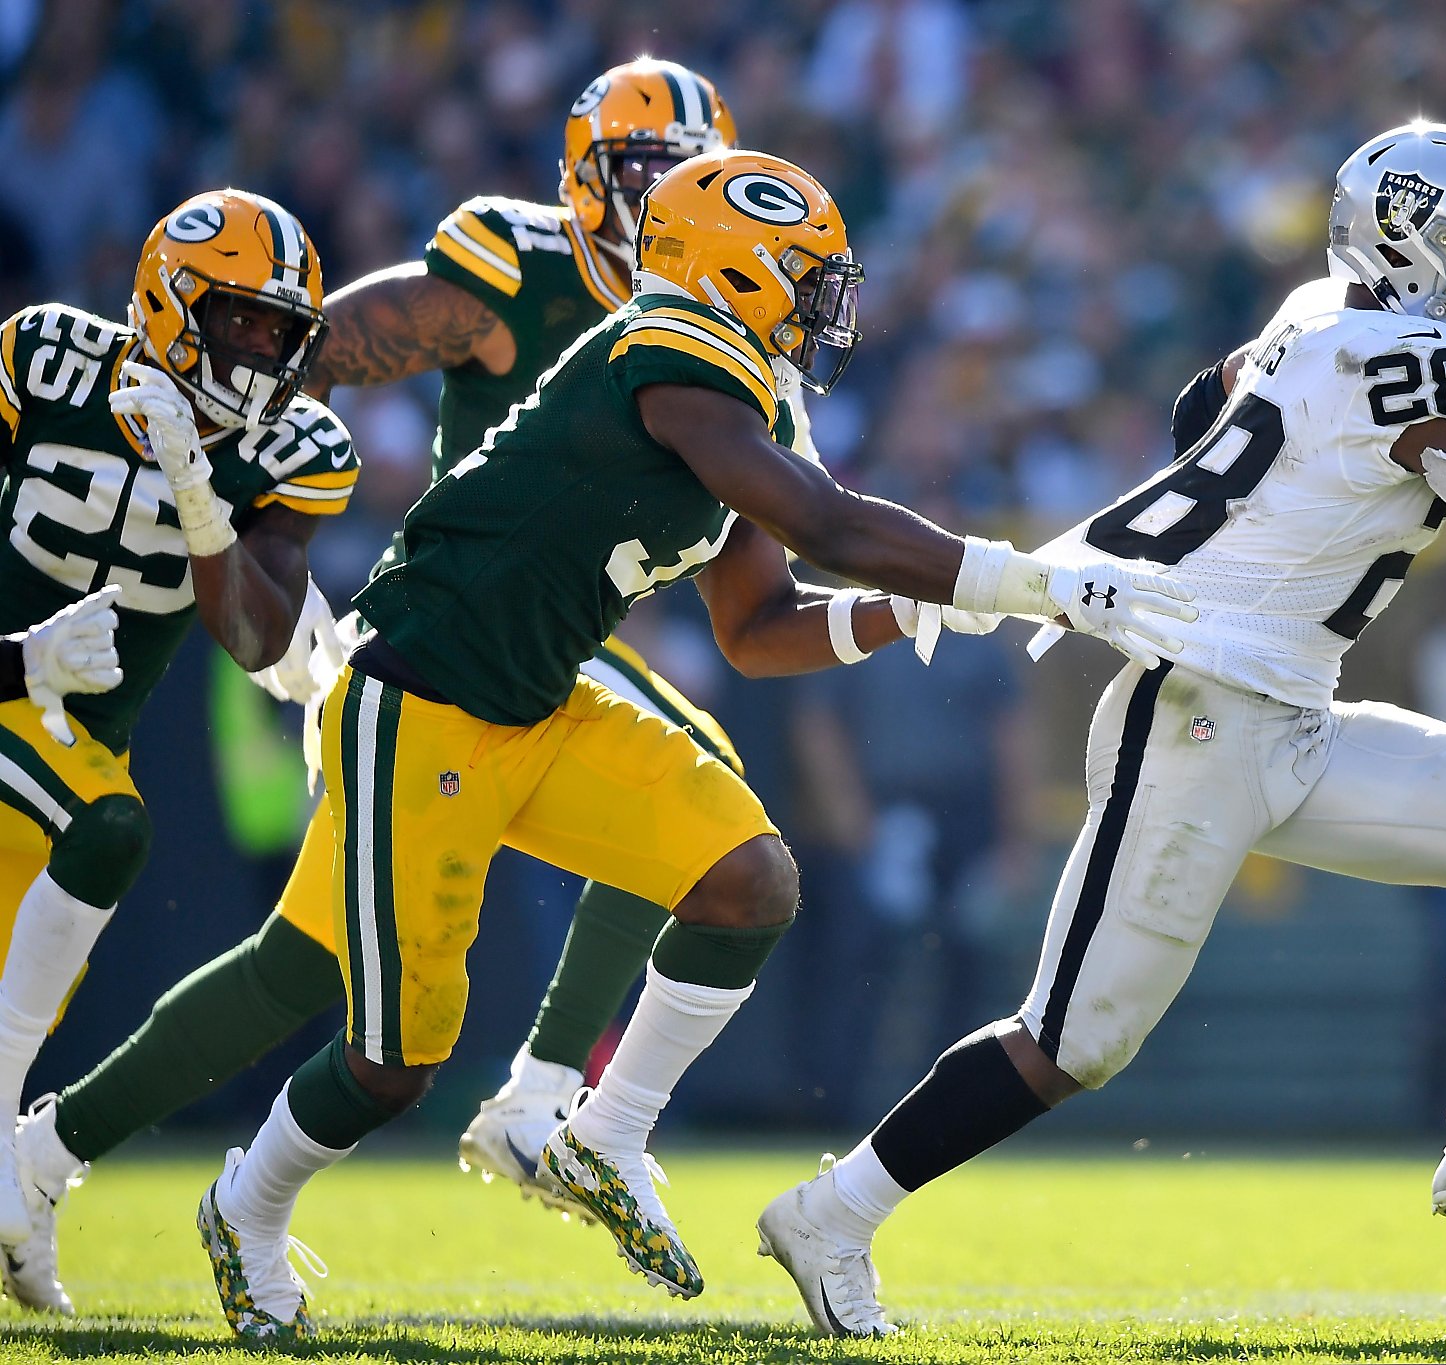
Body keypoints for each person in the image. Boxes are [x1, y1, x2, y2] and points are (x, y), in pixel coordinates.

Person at [194, 147, 1192, 1341]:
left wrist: (904, 611)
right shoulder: (670, 345)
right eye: (807, 279)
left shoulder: (735, 396)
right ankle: (243, 1206)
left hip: (539, 702)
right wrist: (1022, 577)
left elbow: (758, 627)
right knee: (394, 1064)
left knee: (748, 878)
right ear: (738, 268)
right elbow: (818, 519)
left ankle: (604, 1136)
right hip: (419, 699)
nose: (827, 309)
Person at [755, 121, 1446, 1339]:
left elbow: (1201, 409)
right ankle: (832, 1212)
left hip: (1287, 708)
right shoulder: (1412, 361)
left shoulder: (1309, 319)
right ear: (1408, 247)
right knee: (1077, 1038)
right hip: (1197, 710)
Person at [6, 63, 771, 1311]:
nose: (657, 199)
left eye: (679, 174)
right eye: (637, 170)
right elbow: (303, 354)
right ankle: (535, 1101)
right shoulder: (518, 267)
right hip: (443, 648)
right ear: (583, 174)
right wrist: (239, 523)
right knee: (698, 772)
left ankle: (42, 1153)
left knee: (297, 962)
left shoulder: (712, 331)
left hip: (539, 658)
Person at [0, 189, 357, 1311]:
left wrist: (197, 492)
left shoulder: (296, 448)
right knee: (105, 833)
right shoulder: (46, 360)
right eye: (238, 320)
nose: (258, 351)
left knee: (100, 837)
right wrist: (15, 659)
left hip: (74, 745)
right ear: (169, 302)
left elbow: (255, 639)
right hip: (14, 693)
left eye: (278, 331)